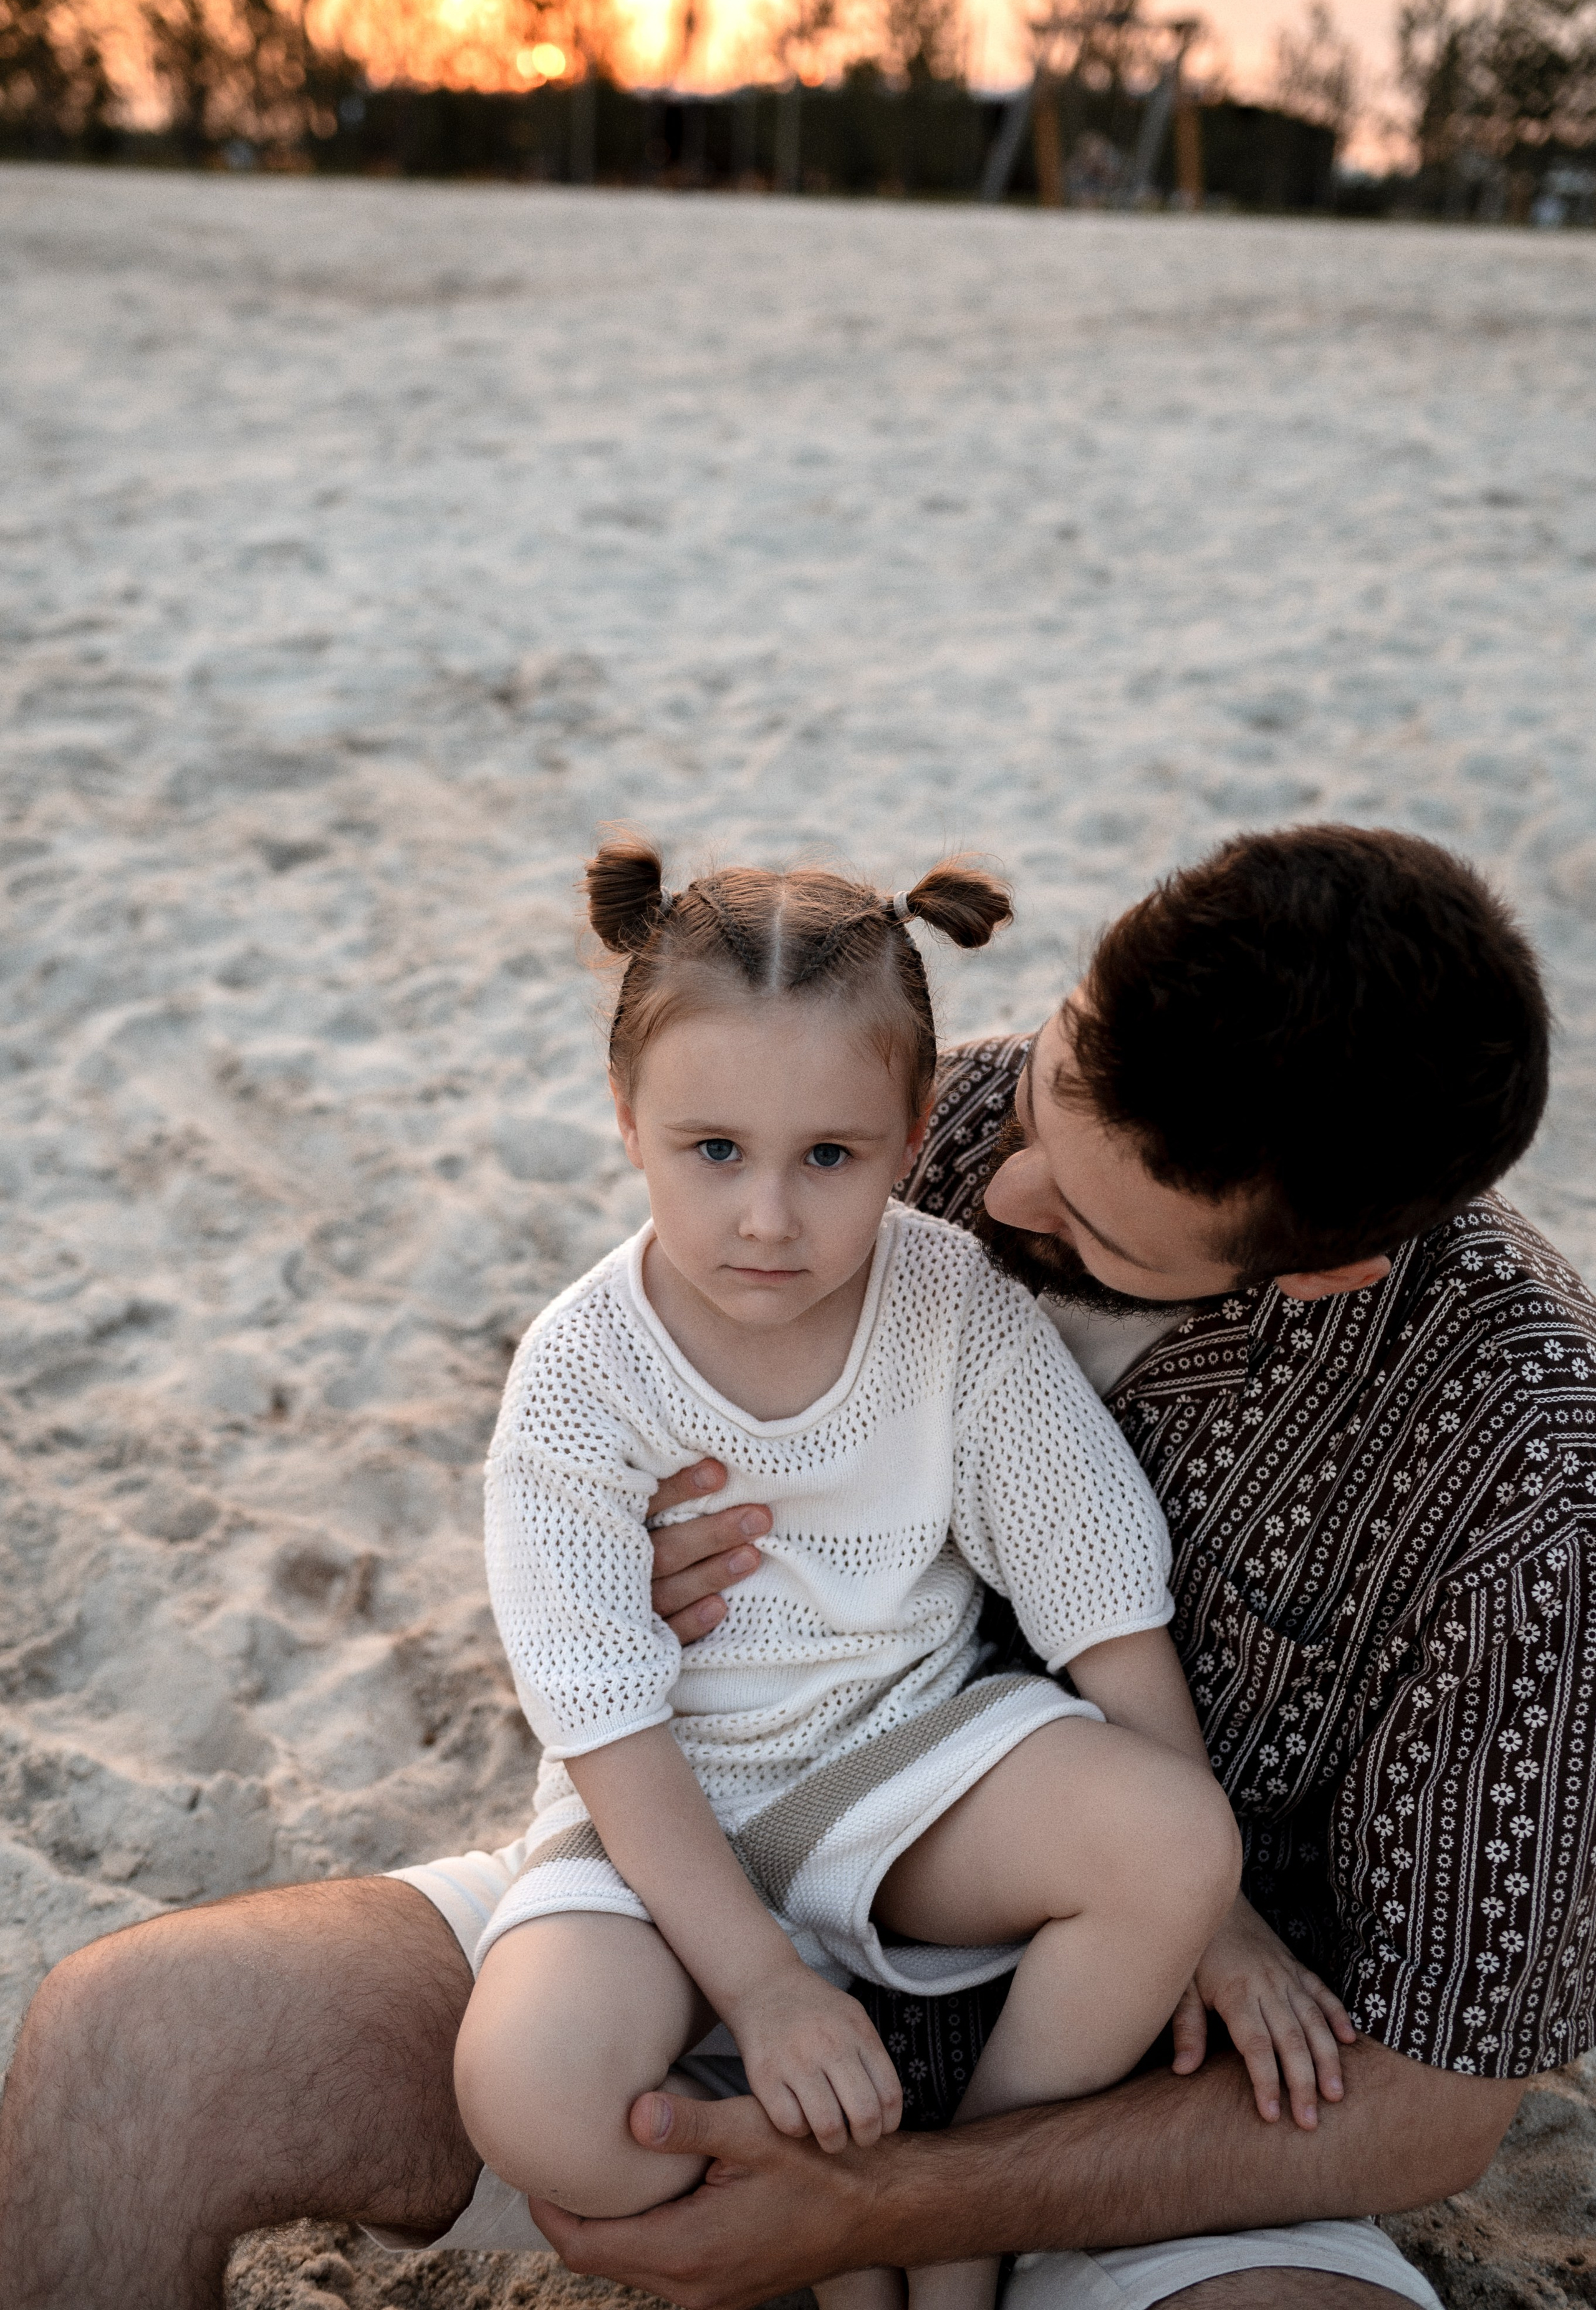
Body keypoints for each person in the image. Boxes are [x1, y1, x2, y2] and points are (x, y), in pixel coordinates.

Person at [3, 824, 1591, 2310]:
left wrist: (910, 2201)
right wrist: (644, 1581)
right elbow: (676, 1279)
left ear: (1314, 1270)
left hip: (1127, 2105)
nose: (992, 1186)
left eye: (1095, 1224)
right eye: (1034, 1096)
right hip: (688, 1881)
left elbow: (1431, 2113)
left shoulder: (1527, 1486)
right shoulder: (907, 1113)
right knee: (123, 2049)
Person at [451, 839, 1262, 2310]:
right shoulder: (577, 1372)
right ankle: (792, 2191)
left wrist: (1220, 1915)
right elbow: (606, 1723)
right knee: (530, 2095)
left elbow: (1099, 1598)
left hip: (901, 1767)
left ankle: (949, 2214)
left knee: (1174, 1837)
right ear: (627, 1122)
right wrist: (759, 1984)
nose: (767, 1218)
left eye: (827, 1156)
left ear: (907, 1138)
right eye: (714, 1152)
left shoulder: (948, 1302)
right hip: (657, 1810)